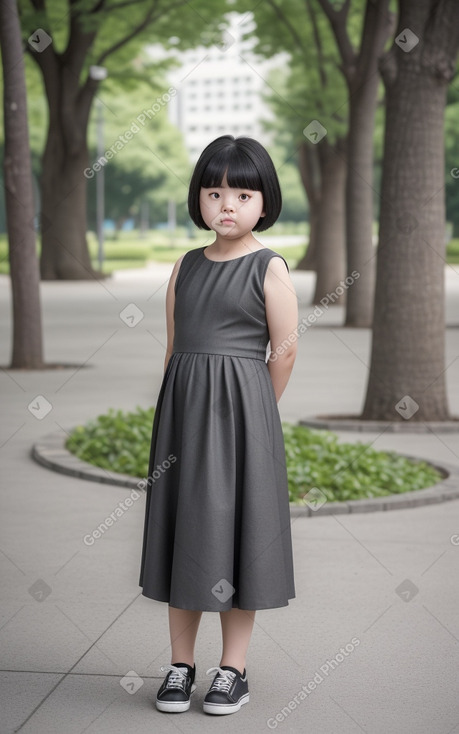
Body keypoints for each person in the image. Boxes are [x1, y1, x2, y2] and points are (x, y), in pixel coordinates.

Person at [139, 134, 298, 716]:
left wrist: (255, 411)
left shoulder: (268, 266)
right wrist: (175, 413)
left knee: (238, 540)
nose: (226, 206)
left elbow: (282, 351)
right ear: (199, 201)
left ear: (264, 202)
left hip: (243, 419)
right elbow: (175, 346)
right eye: (213, 193)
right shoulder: (186, 266)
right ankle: (181, 665)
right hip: (183, 416)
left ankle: (234, 670)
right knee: (186, 535)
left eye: (241, 193)